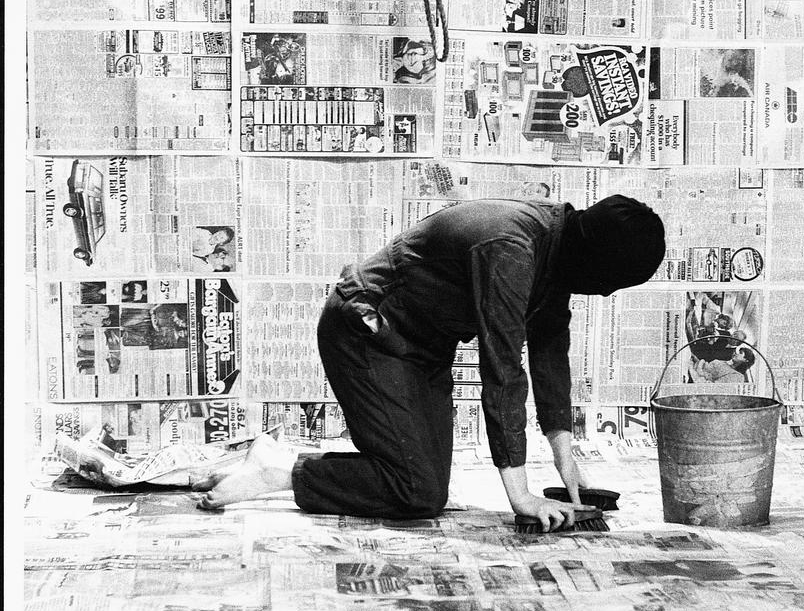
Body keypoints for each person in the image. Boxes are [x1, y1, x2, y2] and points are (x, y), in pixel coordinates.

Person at [197, 196, 666, 531]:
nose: (604, 294)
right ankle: (279, 473)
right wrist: (521, 497)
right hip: (367, 332)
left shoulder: (558, 249)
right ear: (593, 262)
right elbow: (503, 371)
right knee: (416, 491)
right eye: (608, 283)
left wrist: (572, 474)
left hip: (419, 351)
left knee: (422, 486)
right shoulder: (511, 248)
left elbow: (548, 358)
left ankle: (277, 466)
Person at [690, 346, 755, 384]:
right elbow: (707, 368)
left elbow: (711, 387)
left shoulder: (737, 377)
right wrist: (696, 360)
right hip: (693, 368)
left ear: (746, 360)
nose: (736, 353)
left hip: (693, 379)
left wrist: (695, 371)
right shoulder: (726, 363)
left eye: (740, 353)